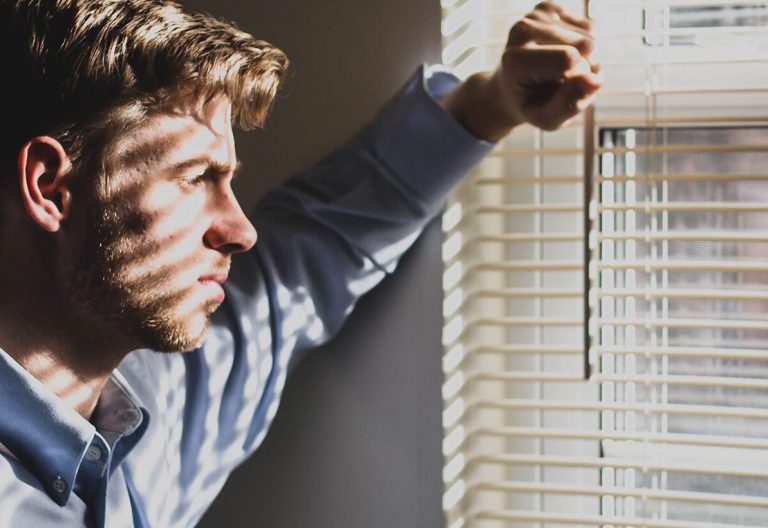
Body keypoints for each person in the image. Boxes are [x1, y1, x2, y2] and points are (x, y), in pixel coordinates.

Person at [0, 0, 600, 526]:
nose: (241, 230)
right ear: (51, 189)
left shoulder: (155, 409)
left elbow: (309, 254)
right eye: (195, 178)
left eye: (228, 180)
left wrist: (490, 103)